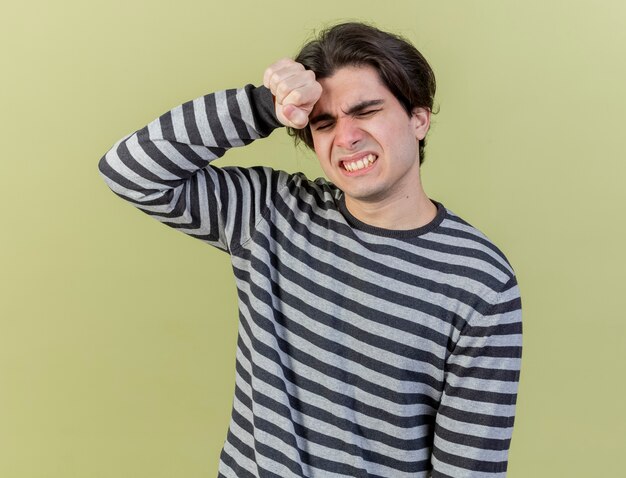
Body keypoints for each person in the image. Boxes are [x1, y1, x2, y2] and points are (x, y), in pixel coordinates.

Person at [99, 22, 522, 478]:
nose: (346, 137)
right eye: (325, 122)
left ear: (418, 118)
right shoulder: (269, 212)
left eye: (366, 111)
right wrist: (263, 106)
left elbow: (467, 470)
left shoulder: (480, 279)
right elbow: (129, 170)